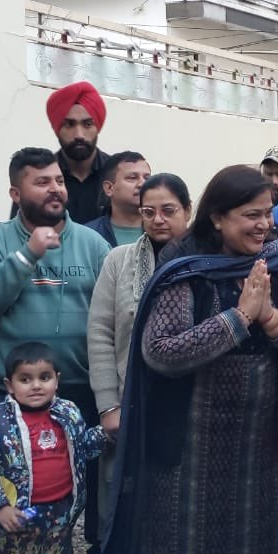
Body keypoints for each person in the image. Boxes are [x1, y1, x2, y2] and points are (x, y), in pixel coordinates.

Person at [98, 164, 278, 554]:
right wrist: (239, 319)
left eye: (266, 213)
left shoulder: (277, 263)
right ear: (218, 218)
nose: (263, 224)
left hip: (255, 455)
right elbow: (161, 351)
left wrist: (270, 318)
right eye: (250, 215)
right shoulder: (185, 265)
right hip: (183, 457)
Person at [0, 147, 110, 554]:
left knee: (63, 489)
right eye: (42, 182)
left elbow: (111, 312)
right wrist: (28, 254)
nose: (55, 189)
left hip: (76, 388)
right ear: (15, 193)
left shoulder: (92, 243)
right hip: (11, 394)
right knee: (13, 491)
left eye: (59, 181)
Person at [0, 342, 112, 554]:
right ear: (9, 385)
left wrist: (105, 434)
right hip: (17, 518)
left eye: (44, 377)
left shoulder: (68, 412)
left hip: (60, 515)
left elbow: (82, 449)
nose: (36, 386)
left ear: (57, 380)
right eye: (25, 379)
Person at [86, 173, 192, 521]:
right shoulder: (120, 260)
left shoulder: (204, 260)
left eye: (168, 210)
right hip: (129, 399)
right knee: (126, 504)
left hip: (187, 406)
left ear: (188, 211)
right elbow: (100, 333)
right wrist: (108, 406)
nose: (158, 220)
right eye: (149, 212)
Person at [46, 82, 111, 224]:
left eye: (88, 124)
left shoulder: (116, 174)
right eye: (69, 124)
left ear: (97, 127)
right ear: (57, 129)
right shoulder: (40, 175)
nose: (79, 135)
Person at [84, 152, 152, 247]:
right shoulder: (87, 235)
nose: (142, 184)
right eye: (132, 178)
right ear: (109, 188)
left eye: (147, 178)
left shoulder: (163, 230)